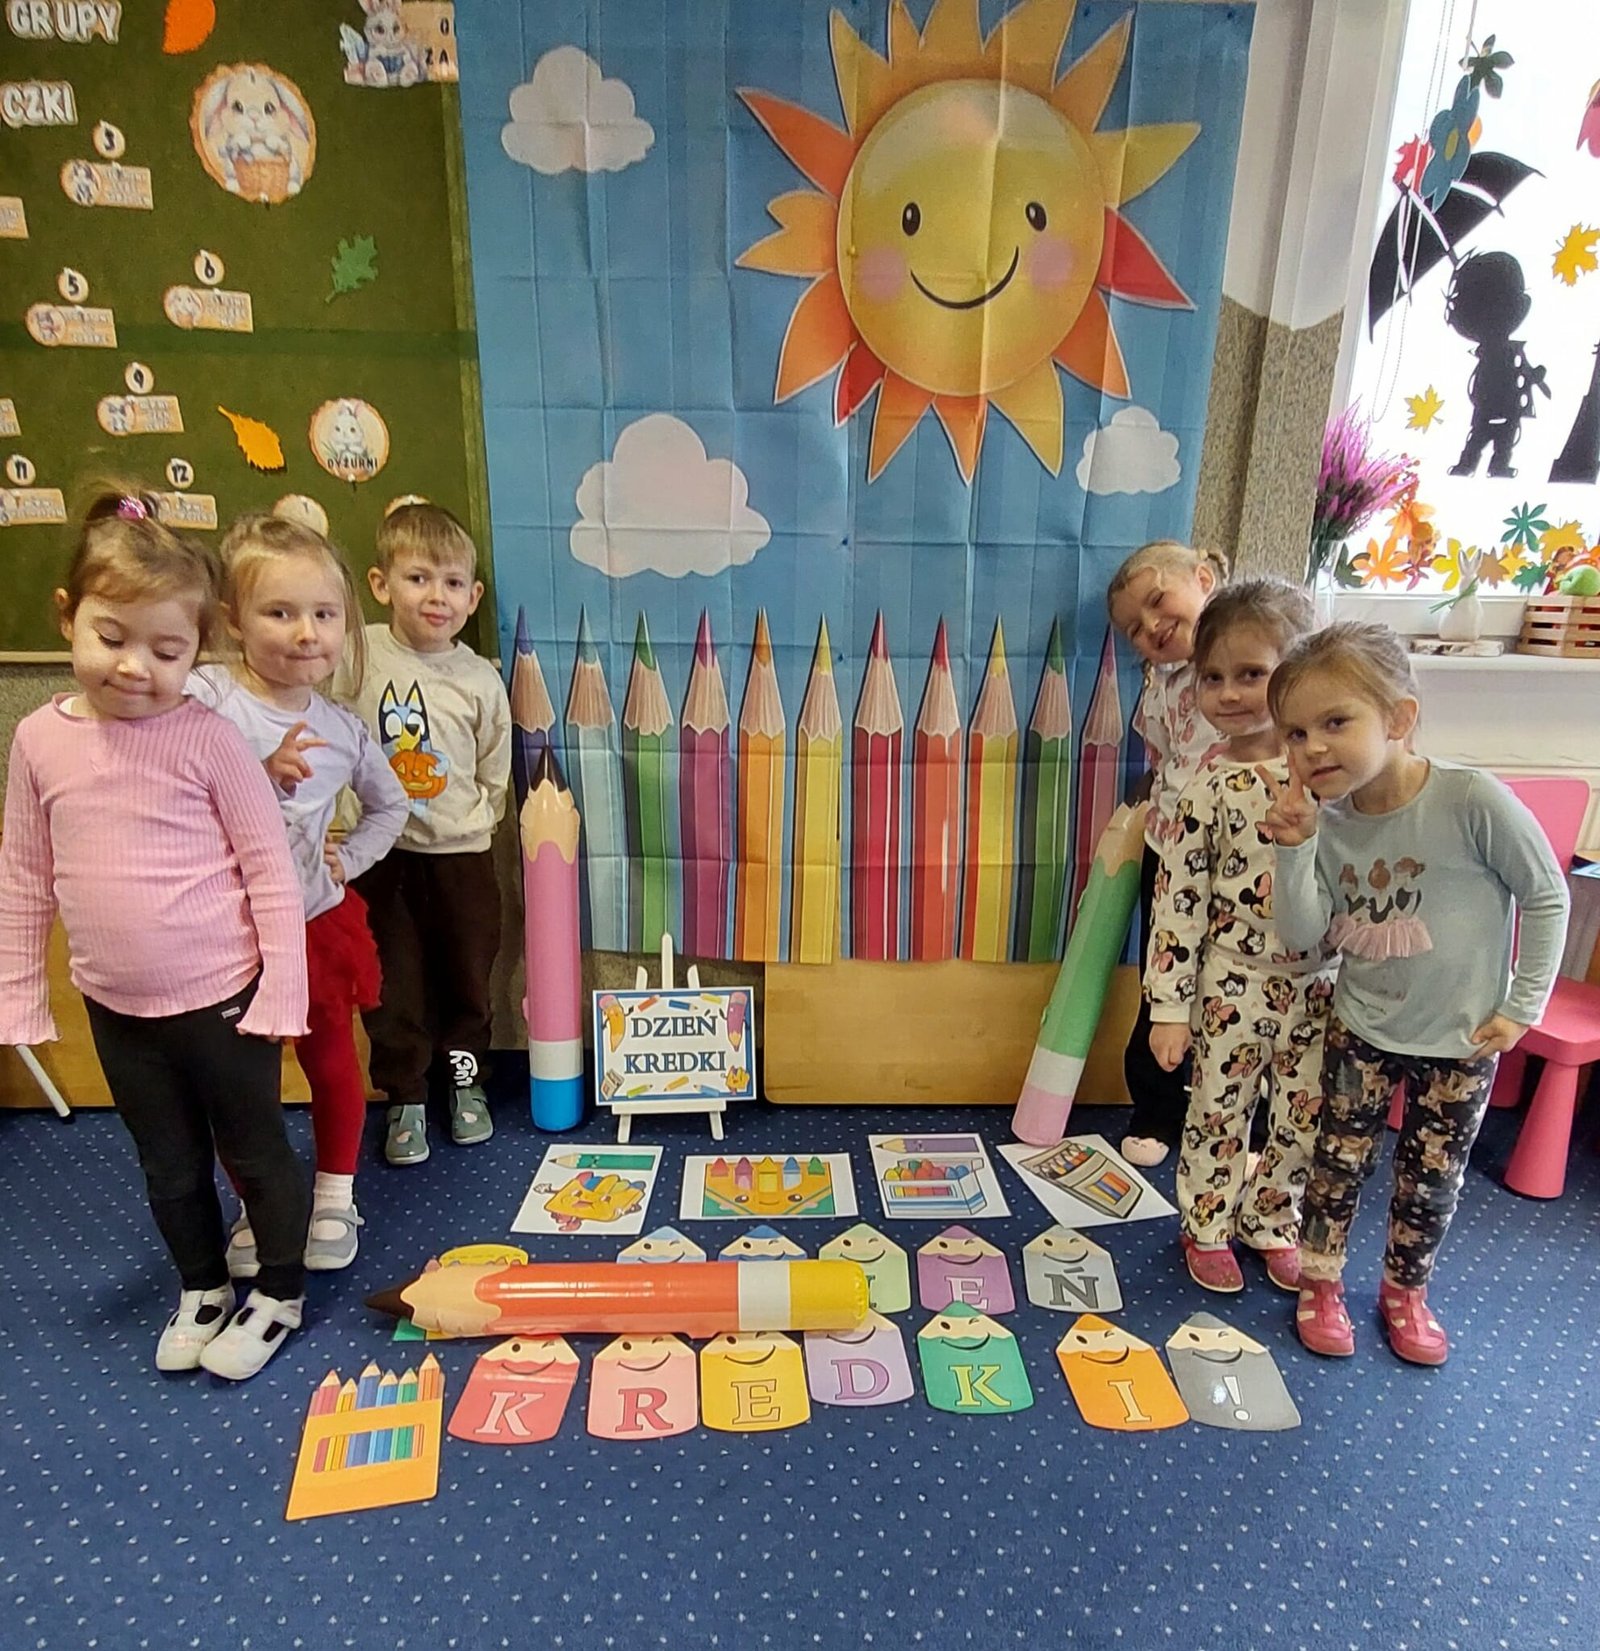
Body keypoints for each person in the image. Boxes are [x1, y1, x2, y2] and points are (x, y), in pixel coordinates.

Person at [0, 488, 310, 1379]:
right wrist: (19, 995)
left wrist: (282, 989)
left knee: (254, 1151)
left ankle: (278, 1292)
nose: (135, 667)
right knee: (167, 1163)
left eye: (167, 651)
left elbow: (270, 871)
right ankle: (203, 1285)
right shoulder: (38, 740)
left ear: (197, 649)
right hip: (116, 1007)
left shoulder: (208, 740)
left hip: (223, 999)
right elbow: (23, 872)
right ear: (68, 615)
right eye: (112, 637)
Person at [1264, 622, 1568, 1365]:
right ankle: (1321, 1282)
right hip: (1362, 1025)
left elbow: (1546, 895)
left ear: (1398, 718)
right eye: (1296, 733)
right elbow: (1304, 936)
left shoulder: (1471, 800)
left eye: (1336, 722)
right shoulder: (1328, 821)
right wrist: (1295, 846)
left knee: (1431, 1181)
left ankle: (1405, 1291)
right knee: (1336, 1165)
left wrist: (1522, 1005)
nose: (1313, 747)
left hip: (1461, 1037)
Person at [190, 511, 407, 1273]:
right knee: (236, 1083)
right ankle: (257, 1203)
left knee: (332, 1060)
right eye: (279, 612)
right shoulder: (205, 697)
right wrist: (256, 773)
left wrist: (353, 858)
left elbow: (390, 806)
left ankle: (335, 1193)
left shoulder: (342, 728)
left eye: (324, 614)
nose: (306, 633)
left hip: (313, 922)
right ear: (232, 620)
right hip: (223, 932)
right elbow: (165, 781)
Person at [1146, 580, 1334, 1295]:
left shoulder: (1328, 782)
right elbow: (1178, 906)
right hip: (1233, 983)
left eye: (1252, 674)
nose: (1228, 694)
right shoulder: (1206, 791)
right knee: (1218, 1109)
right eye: (1212, 677)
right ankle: (1206, 1224)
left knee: (1304, 1118)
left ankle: (1271, 1219)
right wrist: (1169, 1007)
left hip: (1318, 985)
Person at [340, 500, 510, 1164]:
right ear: (381, 585)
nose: (436, 596)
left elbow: (494, 766)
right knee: (392, 982)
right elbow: (330, 733)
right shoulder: (356, 656)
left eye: (451, 582)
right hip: (380, 857)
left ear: (473, 597)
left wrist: (478, 822)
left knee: (467, 977)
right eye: (418, 578)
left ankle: (466, 1081)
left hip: (462, 856)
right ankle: (405, 1093)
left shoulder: (479, 679)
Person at [1106, 539, 1229, 1167]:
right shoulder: (1159, 684)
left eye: (1158, 601)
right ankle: (1154, 1110)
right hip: (1172, 850)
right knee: (1163, 981)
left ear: (1203, 578)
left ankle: (1238, 1121)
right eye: (1135, 628)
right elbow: (1161, 756)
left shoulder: (1253, 664)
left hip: (1242, 855)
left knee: (1237, 984)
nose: (1151, 626)